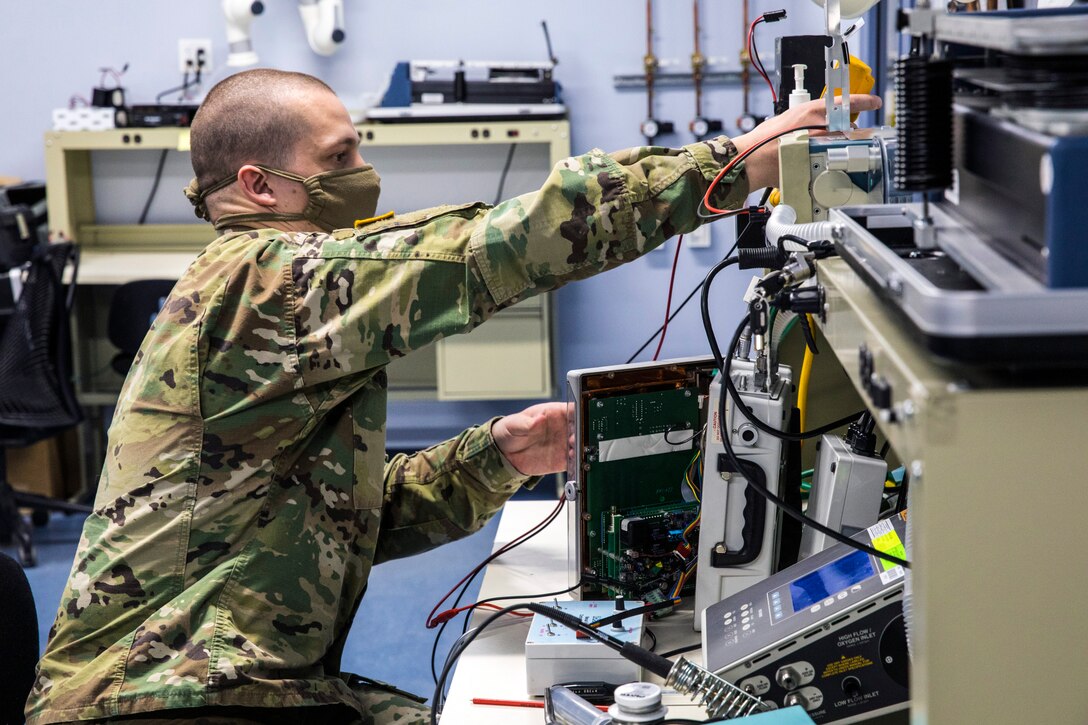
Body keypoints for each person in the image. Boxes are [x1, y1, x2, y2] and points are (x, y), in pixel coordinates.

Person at [27, 68, 879, 725]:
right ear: (258, 186)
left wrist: (497, 455)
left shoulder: (270, 295)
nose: (364, 174)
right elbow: (494, 247)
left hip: (227, 685)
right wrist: (726, 168)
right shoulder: (263, 284)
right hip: (161, 697)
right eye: (339, 159)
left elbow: (330, 522)